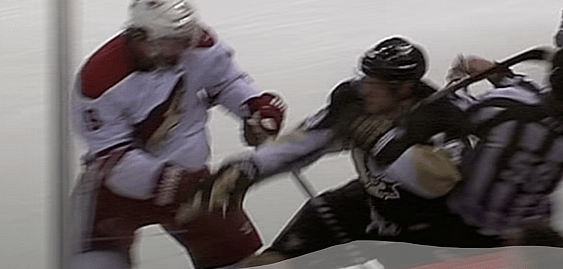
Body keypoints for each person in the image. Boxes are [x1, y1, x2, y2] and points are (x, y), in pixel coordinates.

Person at [179, 36, 471, 267]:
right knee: (271, 262)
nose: (366, 88)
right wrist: (247, 169)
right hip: (366, 204)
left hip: (426, 227)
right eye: (366, 78)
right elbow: (305, 142)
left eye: (376, 83)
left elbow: (438, 183)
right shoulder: (355, 101)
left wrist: (384, 144)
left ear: (405, 88)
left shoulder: (441, 118)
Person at [70, 0, 287, 269]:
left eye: (189, 36)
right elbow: (112, 155)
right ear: (140, 38)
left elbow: (226, 81)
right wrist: (171, 182)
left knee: (242, 261)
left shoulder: (197, 44)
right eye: (175, 41)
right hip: (115, 193)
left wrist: (255, 107)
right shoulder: (99, 80)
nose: (187, 47)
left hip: (191, 181)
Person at [444, 45, 563, 251]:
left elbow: (456, 113)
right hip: (529, 234)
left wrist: (457, 79)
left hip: (470, 222)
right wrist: (498, 73)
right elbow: (531, 98)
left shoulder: (505, 108)